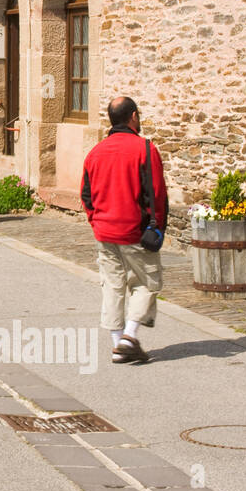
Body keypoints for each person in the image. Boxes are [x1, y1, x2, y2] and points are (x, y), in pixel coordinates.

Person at [81, 96, 168, 365]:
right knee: (147, 283)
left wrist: (95, 220)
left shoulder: (95, 152)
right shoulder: (145, 148)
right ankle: (129, 336)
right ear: (132, 117)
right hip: (135, 231)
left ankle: (117, 344)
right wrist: (158, 227)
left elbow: (86, 195)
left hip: (104, 231)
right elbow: (156, 194)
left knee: (112, 286)